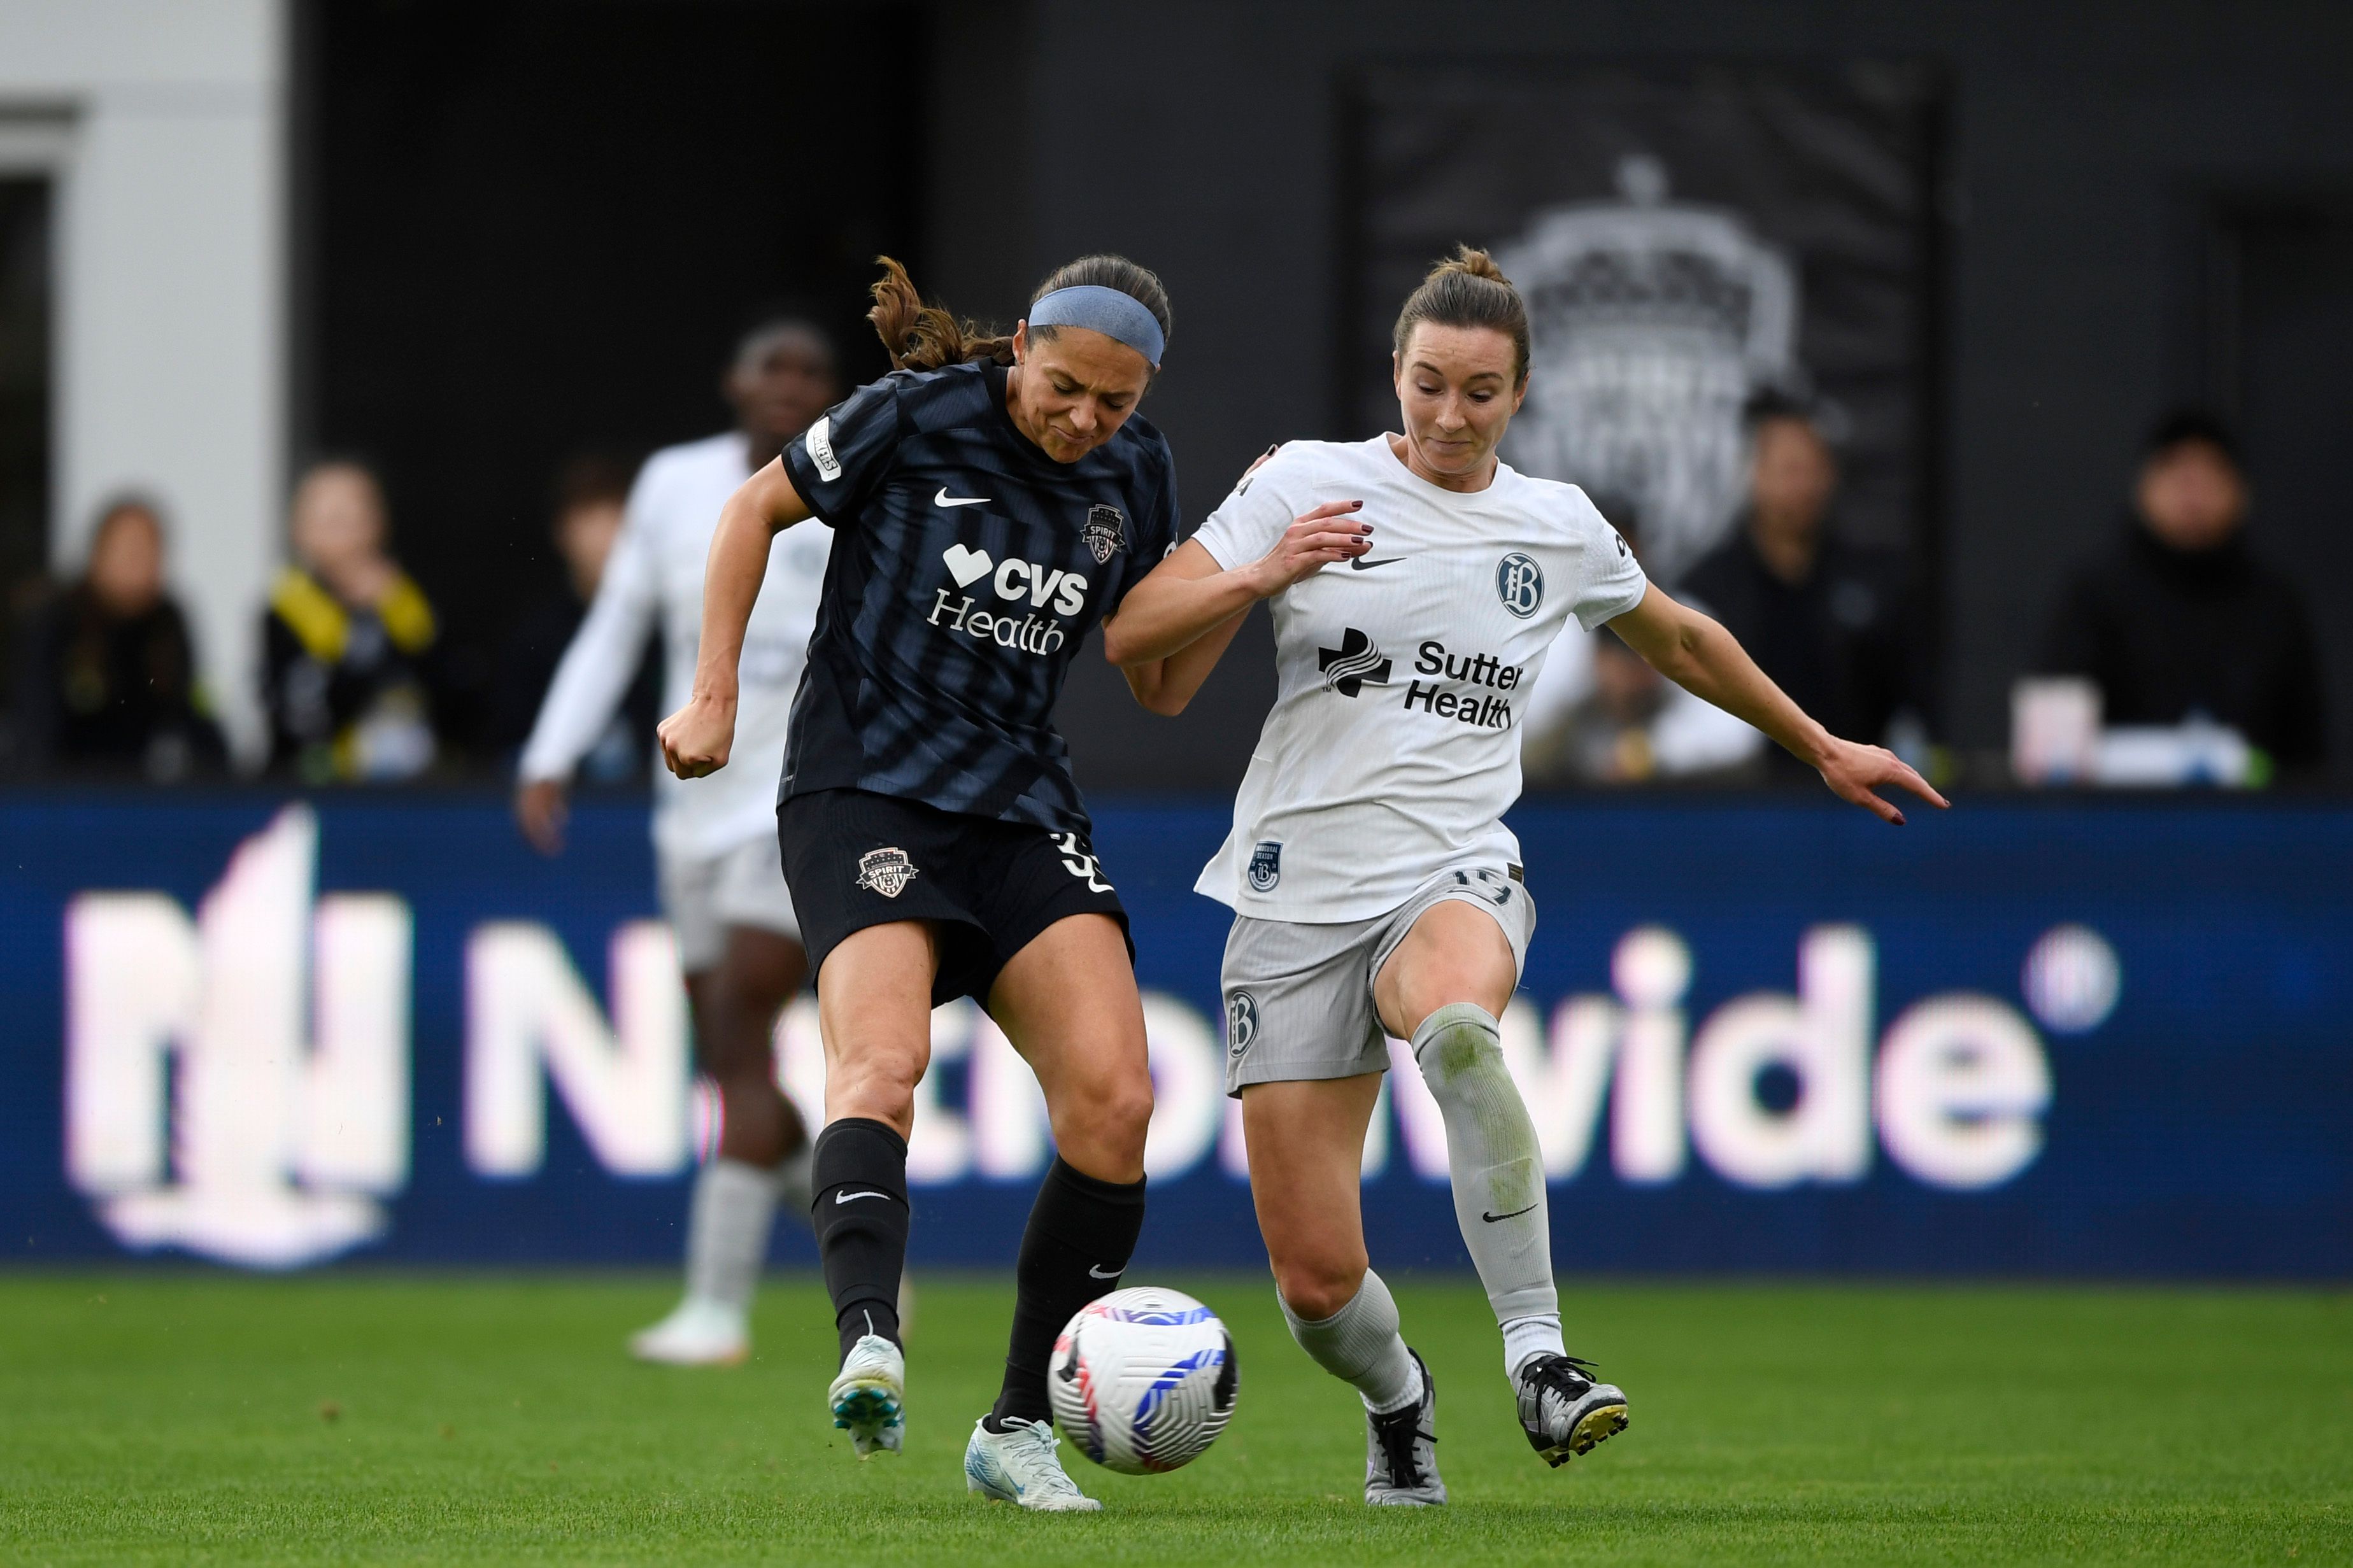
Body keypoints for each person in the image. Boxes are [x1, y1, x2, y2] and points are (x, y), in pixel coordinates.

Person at [1104, 248, 1944, 1506]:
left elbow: (1675, 633)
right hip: (1287, 892)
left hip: (1450, 865)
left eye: (1479, 391)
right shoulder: (1301, 481)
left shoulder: (1551, 523)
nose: (1447, 415)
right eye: (1428, 383)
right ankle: (1399, 1401)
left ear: (1520, 393)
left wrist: (1815, 741)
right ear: (1393, 373)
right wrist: (1264, 571)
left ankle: (1538, 1356)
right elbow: (1136, 643)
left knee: (1454, 1026)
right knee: (1315, 1287)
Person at [657, 255, 1193, 1511]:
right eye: (1064, 387)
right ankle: (868, 1340)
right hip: (867, 789)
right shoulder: (914, 417)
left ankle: (1015, 1428)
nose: (1083, 419)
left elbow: (1150, 674)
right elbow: (751, 512)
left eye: (1111, 403)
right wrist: (716, 690)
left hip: (1018, 806)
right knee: (879, 1065)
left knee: (1116, 1102)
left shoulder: (1136, 474)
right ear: (1020, 344)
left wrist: (1257, 578)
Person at [516, 320, 844, 1366]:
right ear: (734, 383)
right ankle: (865, 1237)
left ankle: (716, 1308)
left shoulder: (864, 484)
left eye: (810, 373)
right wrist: (551, 751)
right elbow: (617, 624)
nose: (789, 387)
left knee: (746, 1011)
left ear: (833, 392)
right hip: (689, 810)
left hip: (802, 807)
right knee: (734, 1061)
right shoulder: (672, 484)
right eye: (772, 368)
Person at [2037, 409, 2326, 775]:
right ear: (2144, 488)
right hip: (2119, 818)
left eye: (2210, 478)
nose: (2193, 497)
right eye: (2179, 478)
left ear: (2241, 492)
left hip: (2253, 821)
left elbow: (2307, 752)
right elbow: (2056, 741)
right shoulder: (2093, 598)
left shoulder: (2276, 605)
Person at [1679, 392, 1935, 780]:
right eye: (1790, 470)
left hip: (1854, 795)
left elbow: (1912, 704)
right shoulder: (1706, 590)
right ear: (1753, 474)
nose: (1805, 485)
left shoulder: (1875, 583)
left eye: (1816, 468)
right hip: (1737, 802)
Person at [11, 495, 225, 779]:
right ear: (98, 553)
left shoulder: (167, 623)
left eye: (147, 551)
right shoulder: (56, 619)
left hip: (139, 795)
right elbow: (33, 725)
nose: (136, 562)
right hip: (61, 794)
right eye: (126, 550)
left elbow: (193, 716)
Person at [260, 460, 449, 782]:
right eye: (326, 517)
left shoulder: (410, 603)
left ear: (379, 523)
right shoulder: (286, 610)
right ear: (298, 530)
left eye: (352, 515)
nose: (341, 527)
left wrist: (393, 609)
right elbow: (301, 719)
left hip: (413, 790)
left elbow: (453, 697)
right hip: (320, 786)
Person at [489, 456, 659, 780]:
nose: (607, 537)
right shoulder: (534, 641)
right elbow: (509, 744)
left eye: (619, 519)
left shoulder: (668, 636)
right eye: (591, 519)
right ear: (562, 532)